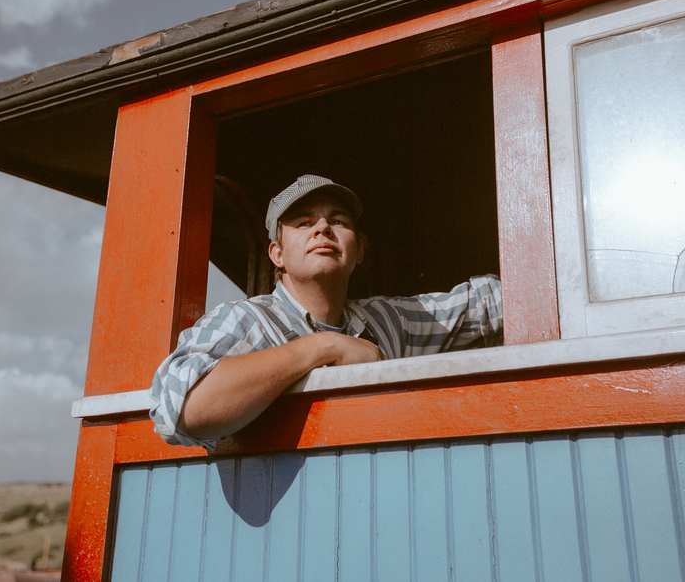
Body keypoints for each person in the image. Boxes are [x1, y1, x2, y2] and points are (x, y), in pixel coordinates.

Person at [150, 174, 503, 449]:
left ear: (360, 251)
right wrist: (323, 347)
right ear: (277, 254)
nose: (322, 228)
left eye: (339, 221)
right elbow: (186, 410)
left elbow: (490, 302)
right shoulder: (246, 320)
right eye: (304, 223)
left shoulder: (390, 321)